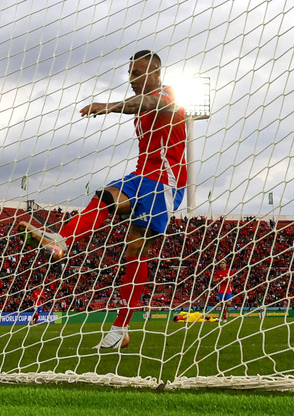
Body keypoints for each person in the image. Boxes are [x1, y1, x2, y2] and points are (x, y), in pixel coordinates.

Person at [20, 50, 186, 350]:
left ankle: (121, 327)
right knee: (105, 197)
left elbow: (151, 101)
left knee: (136, 250)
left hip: (164, 181)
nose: (132, 79)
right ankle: (61, 241)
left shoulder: (168, 94)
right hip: (142, 176)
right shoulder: (140, 110)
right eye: (130, 74)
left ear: (156, 73)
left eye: (137, 73)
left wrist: (109, 107)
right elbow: (141, 105)